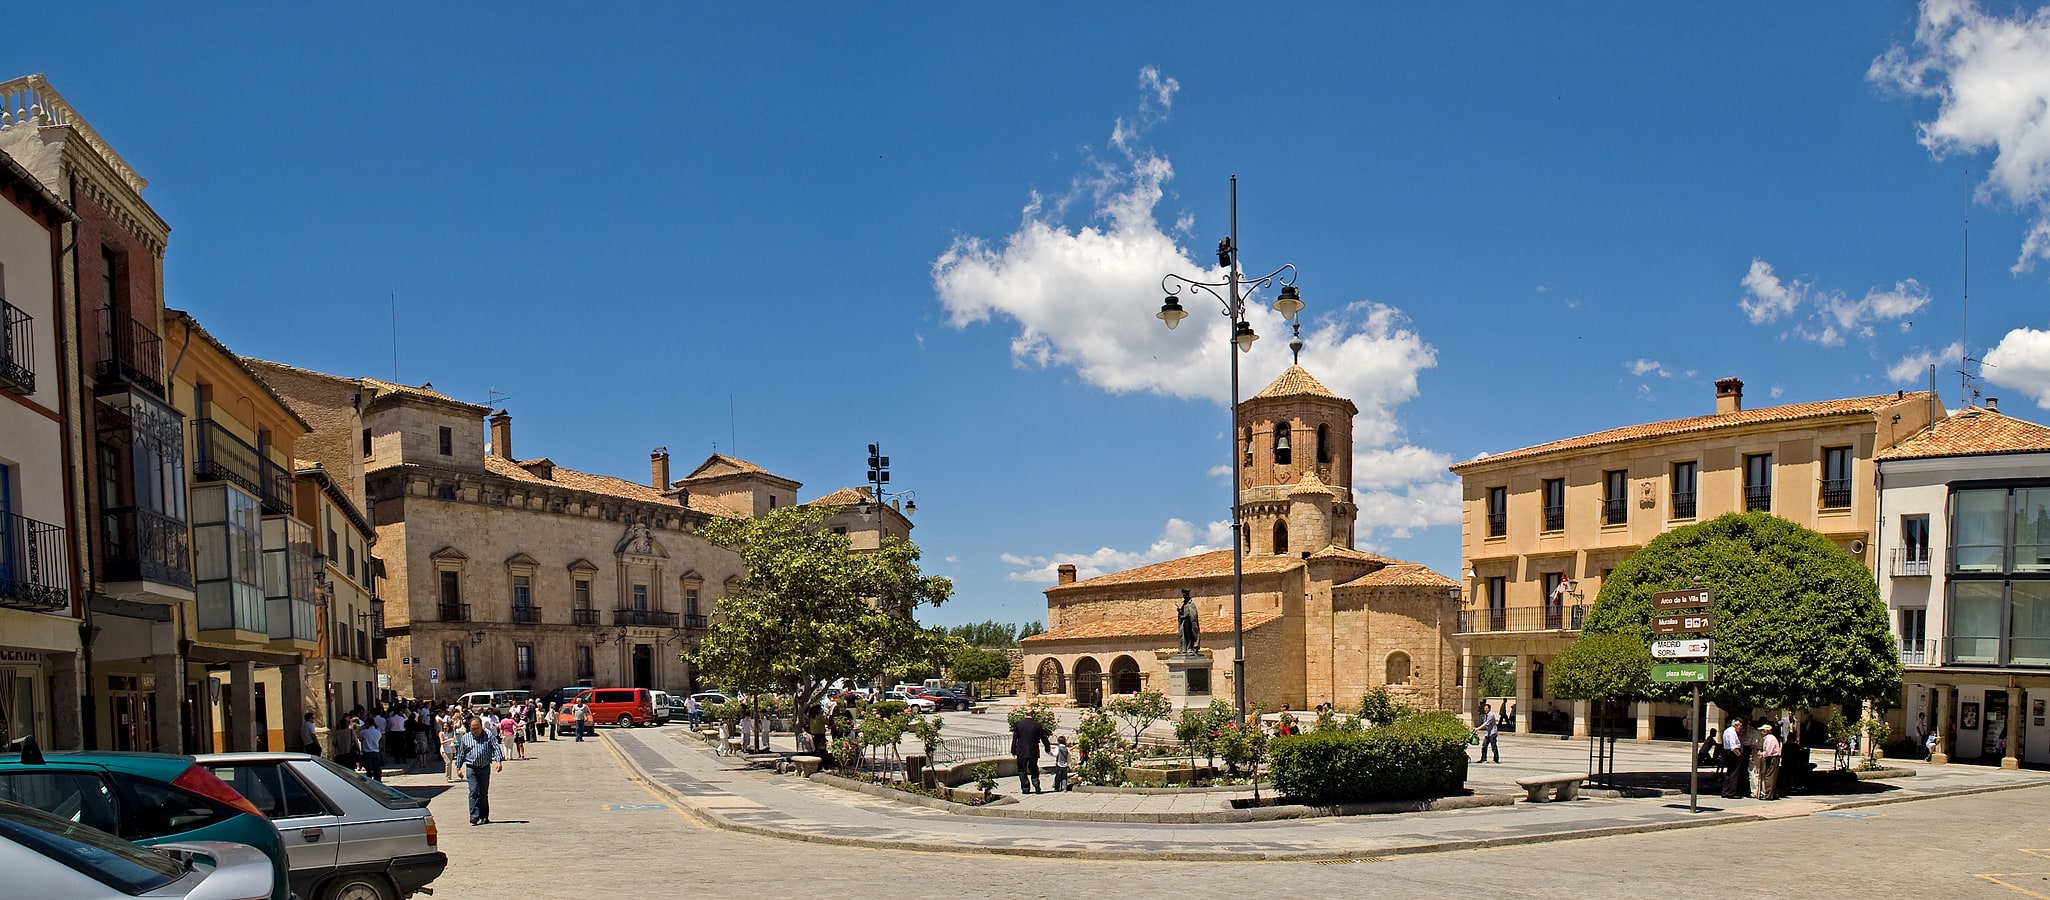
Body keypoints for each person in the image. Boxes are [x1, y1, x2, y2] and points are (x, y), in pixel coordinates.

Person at [454, 716, 505, 826]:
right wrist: (458, 767)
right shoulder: (465, 738)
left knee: (483, 793)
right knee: (473, 791)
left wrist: (499, 761)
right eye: (472, 729)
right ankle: (474, 816)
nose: (475, 731)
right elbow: (461, 753)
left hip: (485, 767)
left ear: (481, 726)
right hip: (471, 767)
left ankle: (484, 816)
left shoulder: (488, 735)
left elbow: (495, 747)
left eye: (477, 728)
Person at [1010, 711, 1051, 794]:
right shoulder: (1037, 725)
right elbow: (1043, 737)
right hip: (1033, 751)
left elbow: (1015, 738)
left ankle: (1025, 787)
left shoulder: (1019, 724)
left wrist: (1013, 750)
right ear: (1033, 715)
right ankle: (1035, 781)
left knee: (1022, 770)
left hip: (1021, 751)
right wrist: (1047, 748)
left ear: (1025, 715)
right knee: (1033, 767)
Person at [1720, 717, 1748, 799]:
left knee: (1729, 772)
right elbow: (1733, 747)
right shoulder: (1732, 732)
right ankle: (1731, 792)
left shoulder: (1727, 731)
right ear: (1736, 725)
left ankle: (1726, 790)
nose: (1741, 727)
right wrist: (1739, 755)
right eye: (1740, 725)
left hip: (1727, 752)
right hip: (1733, 753)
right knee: (1734, 773)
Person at [1756, 723, 1782, 800]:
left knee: (1769, 776)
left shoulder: (1770, 738)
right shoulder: (1768, 738)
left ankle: (1768, 794)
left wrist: (1762, 754)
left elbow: (1768, 751)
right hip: (1771, 757)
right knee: (1770, 775)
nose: (1761, 732)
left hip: (1772, 758)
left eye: (1762, 730)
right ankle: (1773, 793)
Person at [358, 716, 384, 782]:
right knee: (376, 770)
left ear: (367, 723)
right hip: (376, 752)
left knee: (369, 770)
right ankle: (377, 782)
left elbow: (360, 739)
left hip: (367, 753)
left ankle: (369, 782)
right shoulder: (378, 732)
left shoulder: (364, 732)